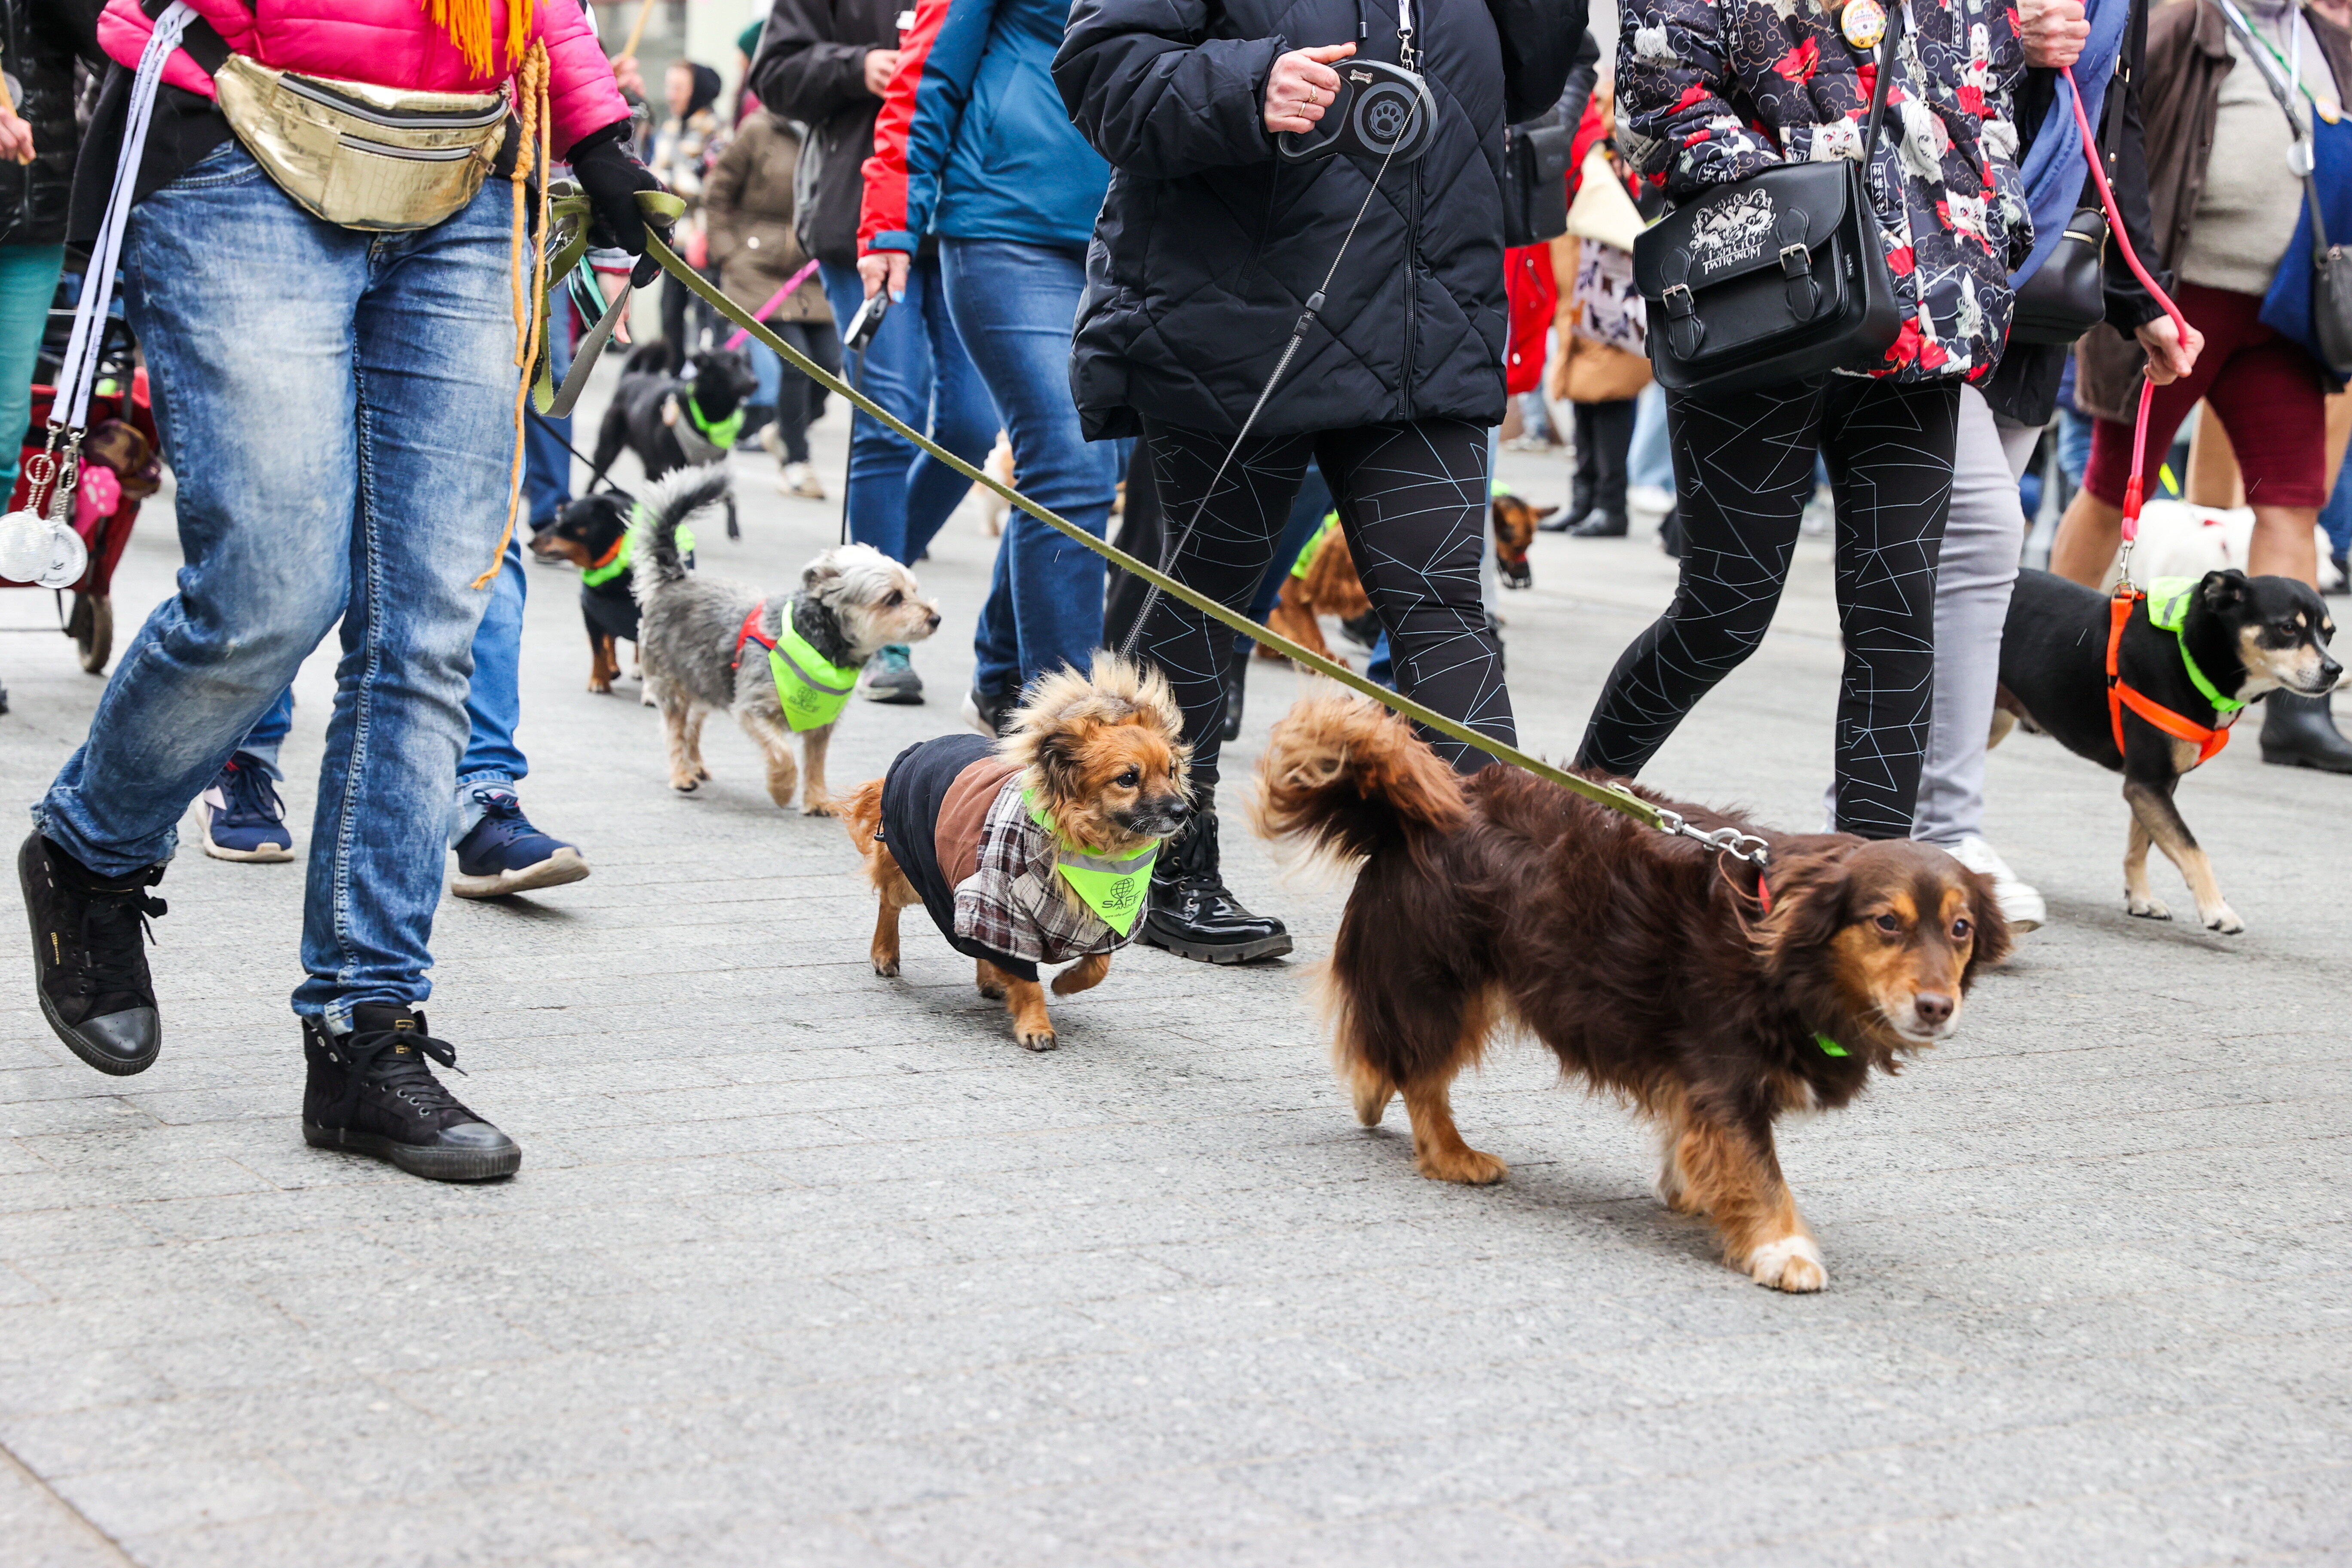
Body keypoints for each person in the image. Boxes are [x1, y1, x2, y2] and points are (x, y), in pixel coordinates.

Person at [20, 0, 661, 1181]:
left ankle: (367, 1036)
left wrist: (594, 130)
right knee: (271, 593)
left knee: (428, 632)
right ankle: (92, 848)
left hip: (465, 157)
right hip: (238, 130)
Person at [1054, 0, 1583, 962]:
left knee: (1442, 606)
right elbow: (1101, 69)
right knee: (1207, 592)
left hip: (1429, 324)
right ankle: (1166, 866)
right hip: (1235, 319)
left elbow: (1537, 79)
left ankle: (1506, 890)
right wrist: (1251, 85)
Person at [1583, 0, 2032, 842]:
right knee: (1725, 610)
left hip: (1917, 313)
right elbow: (1657, 99)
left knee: (1899, 619)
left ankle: (1871, 897)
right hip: (1763, 299)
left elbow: (1988, 96)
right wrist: (1824, 193)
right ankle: (1572, 808)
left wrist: (1988, 219)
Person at [1907, 0, 2183, 932]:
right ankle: (1946, 831)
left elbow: (2116, 124)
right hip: (1921, 270)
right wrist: (1998, 47)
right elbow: (1854, 59)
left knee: (1946, 570)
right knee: (1985, 533)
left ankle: (1878, 811)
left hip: (2038, 297)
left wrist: (2141, 294)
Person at [2055, 0, 2351, 770]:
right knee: (2111, 480)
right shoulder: (2184, 16)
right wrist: (2132, 284)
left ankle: (2292, 706)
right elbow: (2119, 127)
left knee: (2293, 497)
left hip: (2286, 306)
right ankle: (2052, 662)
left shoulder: (2317, 31)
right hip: (2179, 297)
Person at [860, 0, 1118, 738]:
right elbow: (929, 68)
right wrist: (890, 218)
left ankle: (1007, 673)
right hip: (1007, 218)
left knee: (1078, 464)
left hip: (1136, 232)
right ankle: (1070, 726)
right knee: (1072, 455)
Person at [752, 0, 995, 706]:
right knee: (889, 416)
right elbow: (774, 73)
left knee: (973, 428)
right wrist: (860, 68)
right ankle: (885, 634)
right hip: (859, 215)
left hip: (966, 217)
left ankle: (862, 590)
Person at [705, 105, 839, 499]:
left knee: (830, 363)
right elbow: (718, 191)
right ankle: (796, 462)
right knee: (795, 361)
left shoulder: (832, 128)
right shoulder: (759, 130)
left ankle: (783, 430)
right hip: (756, 269)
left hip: (810, 271)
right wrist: (726, 250)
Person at [649, 59, 726, 352]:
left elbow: (710, 186)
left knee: (703, 318)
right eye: (669, 87)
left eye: (679, 88)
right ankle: (673, 376)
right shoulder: (669, 127)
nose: (671, 95)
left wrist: (665, 182)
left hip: (701, 243)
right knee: (670, 316)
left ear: (697, 92)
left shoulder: (717, 131)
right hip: (670, 240)